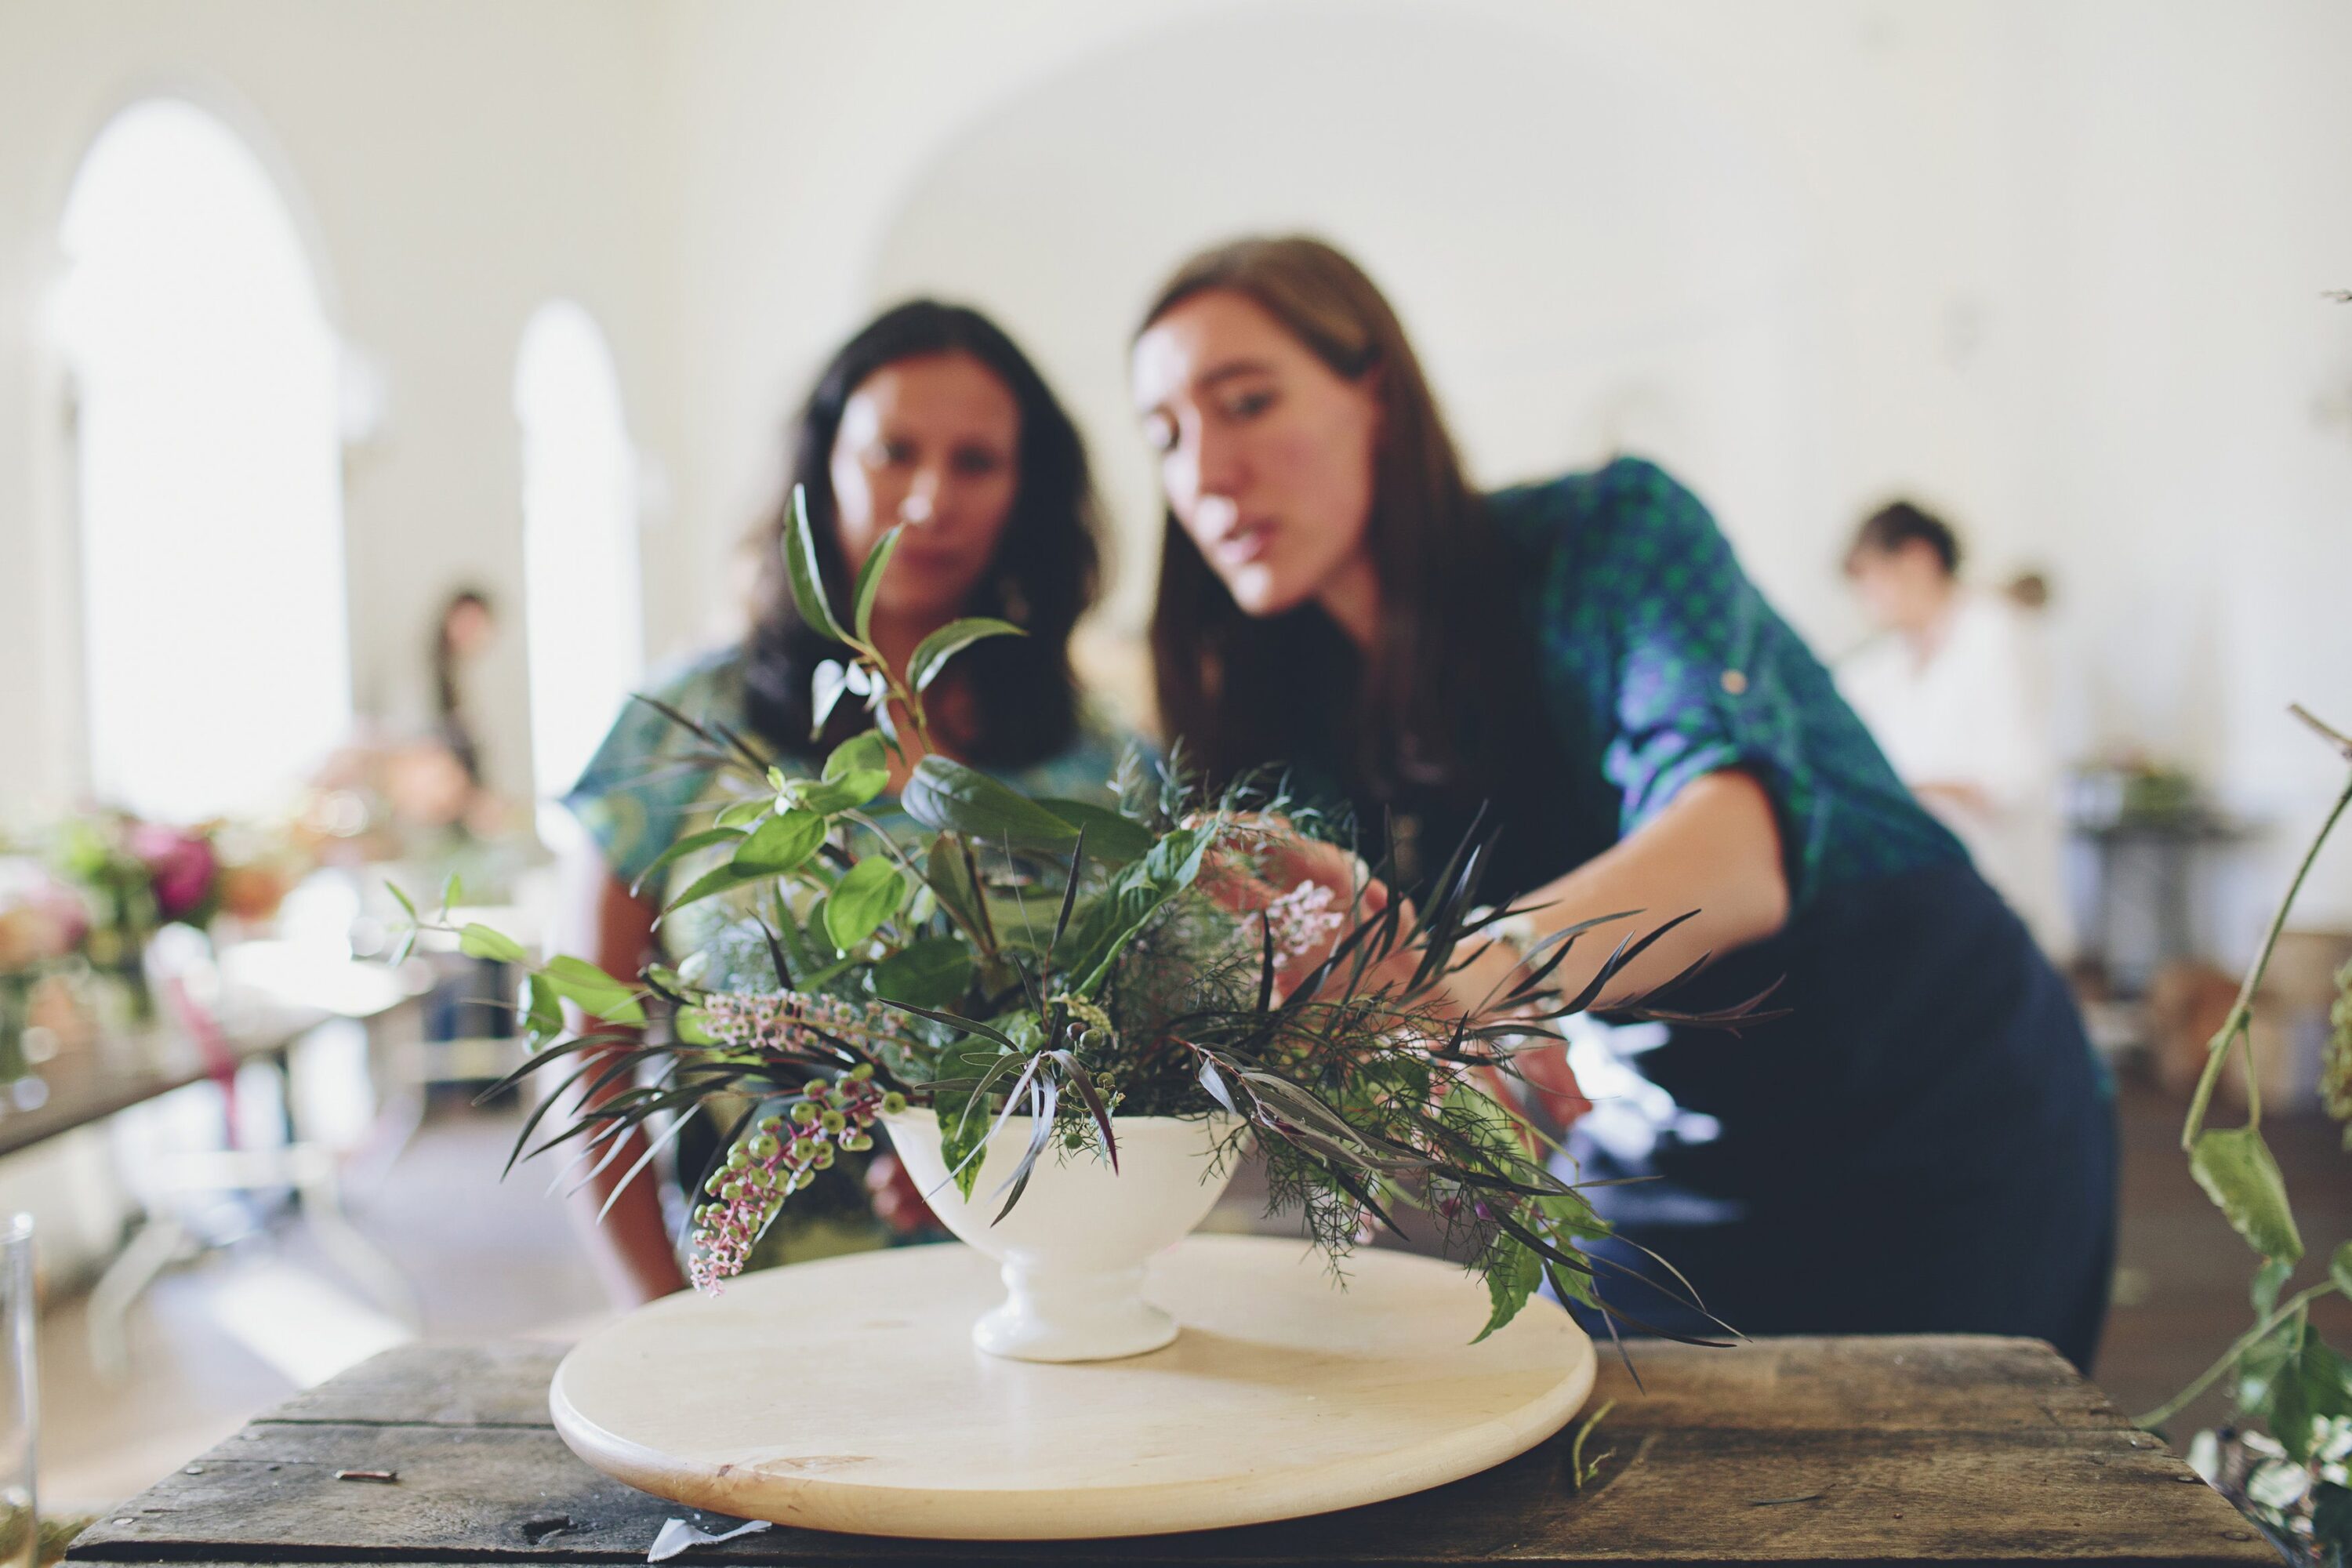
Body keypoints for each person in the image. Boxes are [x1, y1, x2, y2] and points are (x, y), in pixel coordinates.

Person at [1130, 236, 2115, 1368]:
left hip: (1943, 1099)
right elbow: (1380, 1010)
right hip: (1673, 1145)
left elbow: (1733, 849)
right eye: (1163, 435)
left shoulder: (1609, 537)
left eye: (1246, 403)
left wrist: (1478, 978)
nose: (1205, 472)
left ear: (1378, 398)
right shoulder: (1287, 723)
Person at [561, 301, 1131, 1304]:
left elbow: (1164, 1053)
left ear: (1027, 486)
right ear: (823, 464)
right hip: (760, 1309)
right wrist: (653, 1315)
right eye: (892, 451)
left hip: (1054, 1303)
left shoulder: (1104, 762)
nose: (927, 498)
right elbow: (589, 1044)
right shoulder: (684, 727)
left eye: (975, 462)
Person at [1835, 503, 2072, 960]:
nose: (1865, 598)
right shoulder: (1882, 665)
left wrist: (1904, 791)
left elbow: (2016, 780)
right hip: (1920, 907)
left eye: (1871, 577)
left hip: (2002, 900)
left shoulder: (1996, 634)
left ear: (1918, 559)